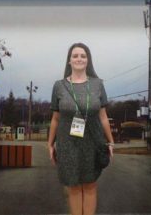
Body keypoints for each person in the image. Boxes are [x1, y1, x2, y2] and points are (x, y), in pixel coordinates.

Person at [47, 43, 114, 215]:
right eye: (75, 55)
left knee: (90, 185)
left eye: (83, 56)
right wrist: (50, 144)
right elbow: (55, 119)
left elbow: (103, 117)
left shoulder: (98, 84)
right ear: (69, 60)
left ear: (88, 60)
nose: (79, 59)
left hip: (93, 141)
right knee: (74, 186)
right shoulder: (59, 86)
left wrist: (111, 141)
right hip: (68, 143)